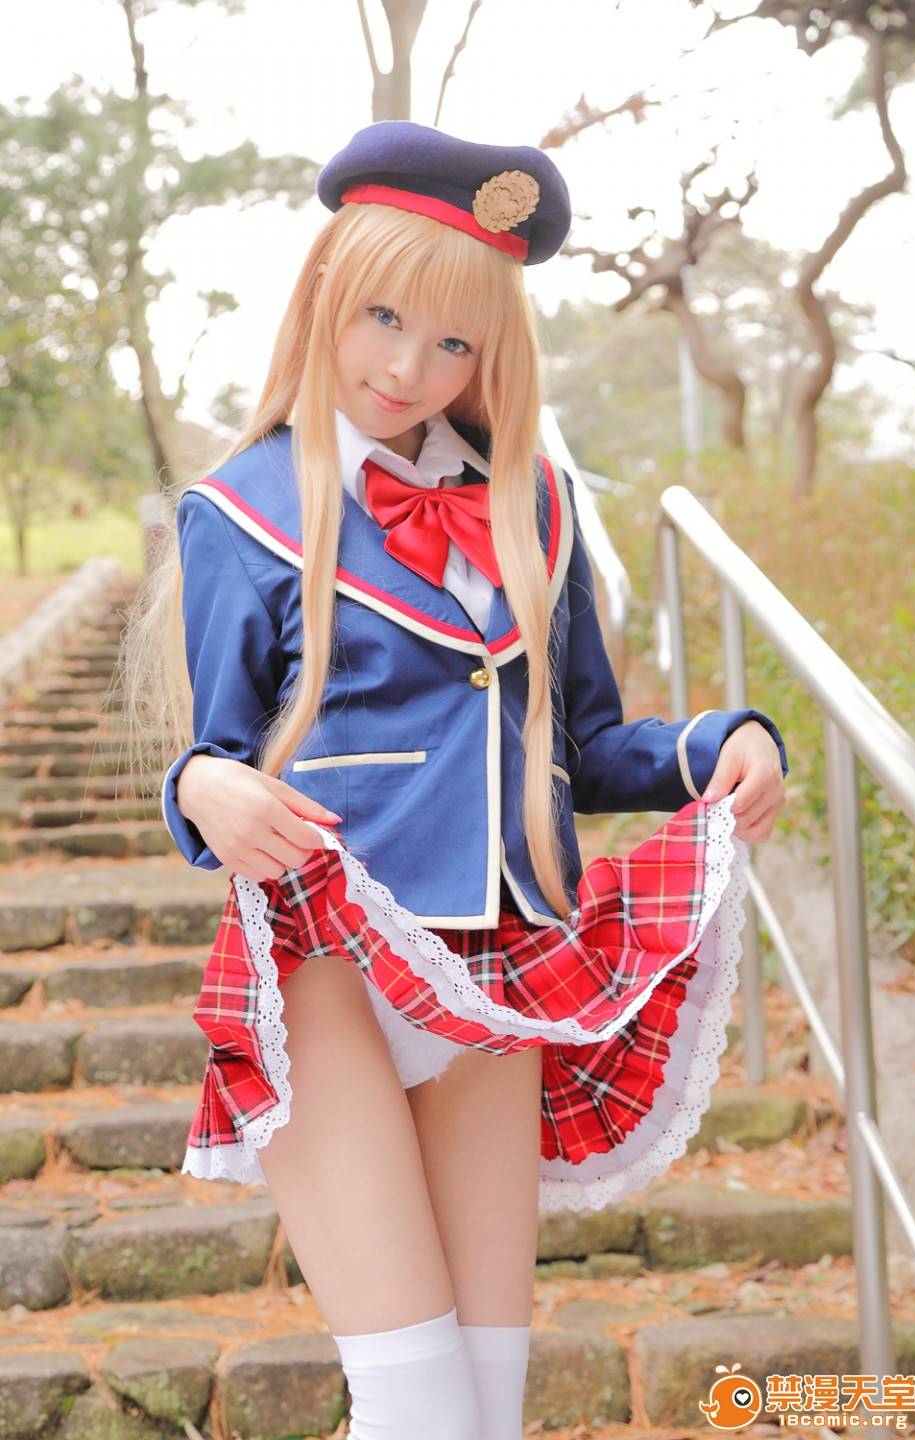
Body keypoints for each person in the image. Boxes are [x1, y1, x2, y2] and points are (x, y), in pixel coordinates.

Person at [120, 120, 789, 1440]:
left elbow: (587, 743)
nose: (406, 369)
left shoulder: (533, 504)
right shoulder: (241, 509)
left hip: (500, 958)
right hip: (329, 953)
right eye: (383, 318)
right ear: (325, 291)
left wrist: (719, 744)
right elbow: (214, 756)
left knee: (486, 1404)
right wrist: (199, 790)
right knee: (417, 1399)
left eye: (452, 345)